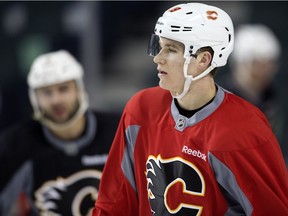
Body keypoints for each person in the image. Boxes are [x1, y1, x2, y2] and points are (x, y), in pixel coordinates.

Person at [92, 2, 288, 216]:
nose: (158, 58)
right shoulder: (140, 110)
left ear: (204, 60)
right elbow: (113, 202)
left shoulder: (244, 130)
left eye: (171, 50)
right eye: (160, 46)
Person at [0, 50, 120, 215]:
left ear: (79, 90)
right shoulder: (15, 144)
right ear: (34, 98)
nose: (56, 100)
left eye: (63, 89)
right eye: (46, 92)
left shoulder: (120, 131)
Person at [219, 24, 288, 166]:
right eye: (256, 64)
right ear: (240, 63)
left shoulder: (273, 98)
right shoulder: (218, 99)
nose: (264, 71)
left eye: (270, 63)